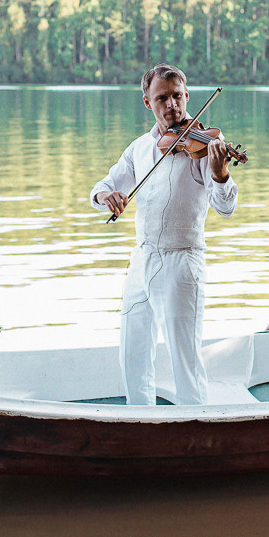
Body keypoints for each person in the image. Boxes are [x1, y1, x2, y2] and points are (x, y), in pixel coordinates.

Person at [90, 64, 238, 405]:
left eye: (177, 96)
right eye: (162, 98)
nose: (172, 105)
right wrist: (104, 197)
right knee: (133, 355)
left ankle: (197, 430)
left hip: (182, 260)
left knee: (185, 359)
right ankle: (139, 423)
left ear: (187, 97)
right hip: (142, 259)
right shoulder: (140, 148)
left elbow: (226, 207)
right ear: (147, 102)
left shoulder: (207, 145)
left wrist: (220, 174)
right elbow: (104, 186)